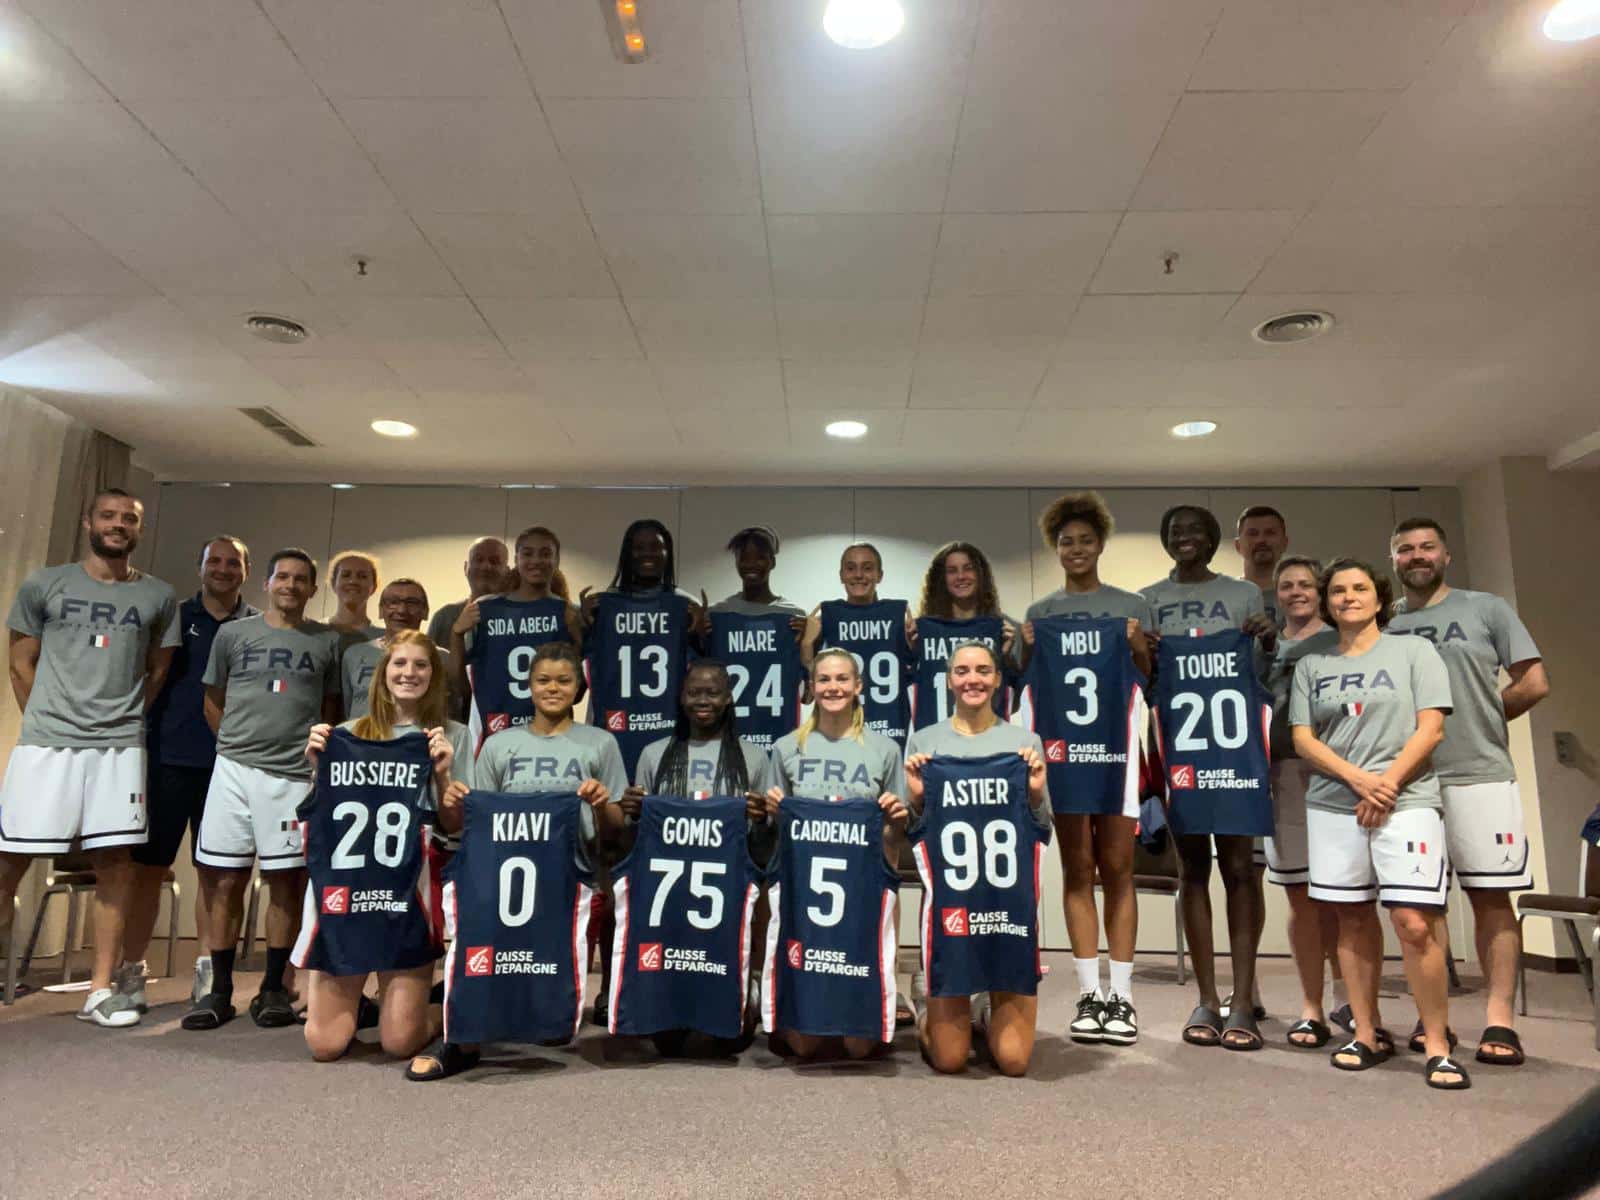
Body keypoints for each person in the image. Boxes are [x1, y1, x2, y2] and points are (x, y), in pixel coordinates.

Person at [0, 488, 178, 1027]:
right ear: (88, 522)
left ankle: (99, 990)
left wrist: (119, 718)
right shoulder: (45, 583)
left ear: (139, 529)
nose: (118, 524)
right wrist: (49, 720)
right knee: (8, 862)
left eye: (129, 518)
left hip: (118, 749)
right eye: (108, 516)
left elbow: (158, 670)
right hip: (47, 745)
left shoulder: (158, 595)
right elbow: (20, 662)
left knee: (115, 864)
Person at [1290, 558, 1468, 1090]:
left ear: (1379, 596)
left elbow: (1431, 729)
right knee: (1350, 919)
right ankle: (1365, 1034)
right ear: (1327, 603)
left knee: (1413, 922)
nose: (1348, 597)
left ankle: (1436, 1043)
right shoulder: (1311, 665)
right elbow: (1303, 738)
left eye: (1359, 588)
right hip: (1334, 803)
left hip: (1406, 800)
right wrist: (1358, 781)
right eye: (1338, 591)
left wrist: (1385, 784)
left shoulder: (1414, 651)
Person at [408, 641, 621, 1081]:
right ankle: (460, 1036)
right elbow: (470, 821)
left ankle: (533, 1015)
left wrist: (602, 804)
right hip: (507, 874)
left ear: (579, 688)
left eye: (564, 681)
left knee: (549, 1010)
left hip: (569, 876)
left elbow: (617, 830)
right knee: (485, 951)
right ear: (529, 686)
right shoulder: (499, 744)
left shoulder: (600, 743)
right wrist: (452, 792)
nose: (553, 688)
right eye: (543, 680)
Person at [1388, 518, 1548, 1067]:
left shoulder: (1486, 608)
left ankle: (1500, 1019)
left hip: (1480, 774)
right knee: (1423, 905)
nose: (1417, 556)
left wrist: (1486, 718)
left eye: (1426, 547)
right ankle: (1434, 1016)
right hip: (1412, 782)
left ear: (1446, 555)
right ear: (1394, 560)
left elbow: (1534, 681)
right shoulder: (1386, 622)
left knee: (1490, 898)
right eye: (1405, 549)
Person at [183, 548, 343, 1031]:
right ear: (268, 583)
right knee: (224, 881)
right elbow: (213, 700)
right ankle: (219, 991)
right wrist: (237, 746)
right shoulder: (234, 634)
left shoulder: (327, 641)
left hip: (293, 776)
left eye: (300, 579)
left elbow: (330, 708)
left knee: (285, 883)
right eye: (283, 577)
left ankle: (273, 987)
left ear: (312, 589)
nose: (290, 585)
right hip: (233, 773)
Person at [1017, 491, 1152, 1046]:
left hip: (1116, 752)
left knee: (1118, 867)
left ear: (1100, 544)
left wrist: (1138, 646)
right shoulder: (1040, 613)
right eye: (1066, 541)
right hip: (1064, 755)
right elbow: (1024, 683)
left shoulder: (1131, 606)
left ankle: (1123, 995)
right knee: (1077, 868)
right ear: (1056, 548)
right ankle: (1089, 993)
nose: (1076, 549)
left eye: (1086, 540)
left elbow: (1150, 679)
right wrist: (1027, 649)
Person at [298, 631, 466, 1063]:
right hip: (345, 895)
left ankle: (437, 1009)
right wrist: (319, 769)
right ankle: (361, 1004)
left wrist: (443, 775)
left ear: (434, 675)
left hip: (405, 896)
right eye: (399, 663)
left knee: (399, 1043)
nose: (409, 673)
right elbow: (319, 815)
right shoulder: (343, 735)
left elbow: (456, 826)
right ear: (383, 673)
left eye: (421, 665)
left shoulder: (453, 736)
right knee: (325, 1045)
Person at [1142, 504, 1275, 1046]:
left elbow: (1262, 675)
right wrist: (1144, 654)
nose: (1185, 537)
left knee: (1241, 868)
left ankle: (1242, 1000)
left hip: (1237, 746)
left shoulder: (1245, 595)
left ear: (1215, 538)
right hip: (1180, 747)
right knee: (1192, 868)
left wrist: (1267, 640)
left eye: (1195, 530)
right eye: (1175, 531)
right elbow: (1142, 683)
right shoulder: (1147, 600)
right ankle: (1205, 997)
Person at [903, 642, 1051, 1076]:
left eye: (983, 670)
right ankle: (925, 998)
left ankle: (987, 1005)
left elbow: (1042, 827)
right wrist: (917, 800)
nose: (973, 680)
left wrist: (1035, 792)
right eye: (963, 671)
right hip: (952, 908)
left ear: (998, 679)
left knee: (1014, 1062)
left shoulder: (1024, 743)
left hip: (1007, 909)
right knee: (949, 1060)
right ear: (949, 680)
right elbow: (913, 833)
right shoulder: (924, 741)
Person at [125, 536, 258, 1010]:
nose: (222, 569)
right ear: (199, 566)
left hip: (228, 766)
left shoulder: (257, 626)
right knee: (148, 871)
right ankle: (130, 972)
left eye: (232, 562)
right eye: (213, 561)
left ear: (246, 570)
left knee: (218, 875)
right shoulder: (174, 617)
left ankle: (209, 973)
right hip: (167, 761)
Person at [616, 659, 774, 1055]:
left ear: (729, 698)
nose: (703, 700)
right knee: (666, 1041)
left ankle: (747, 990)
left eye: (713, 692)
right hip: (668, 887)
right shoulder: (654, 754)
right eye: (694, 692)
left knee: (728, 1039)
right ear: (681, 697)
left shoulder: (754, 758)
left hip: (725, 887)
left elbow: (765, 844)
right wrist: (631, 810)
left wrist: (761, 819)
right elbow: (636, 836)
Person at [765, 648, 911, 1046]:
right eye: (824, 679)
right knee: (804, 1046)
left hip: (862, 888)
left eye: (842, 679)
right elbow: (778, 835)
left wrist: (896, 818)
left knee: (860, 1047)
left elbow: (894, 837)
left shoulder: (885, 749)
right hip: (806, 892)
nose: (833, 687)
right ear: (811, 687)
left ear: (858, 686)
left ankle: (896, 993)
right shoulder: (786, 748)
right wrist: (775, 812)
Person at [1261, 556, 1342, 1047]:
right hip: (1283, 775)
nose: (1296, 592)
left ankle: (1348, 998)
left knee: (1346, 896)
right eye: (1287, 585)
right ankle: (1311, 1006)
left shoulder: (1341, 640)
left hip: (1337, 776)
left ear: (1320, 590)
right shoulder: (1264, 645)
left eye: (1306, 584)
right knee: (1300, 895)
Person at [449, 526, 580, 749]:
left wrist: (579, 638)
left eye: (545, 553)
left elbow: (577, 692)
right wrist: (456, 634)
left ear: (557, 560)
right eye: (527, 553)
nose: (536, 560)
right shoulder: (485, 608)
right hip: (496, 734)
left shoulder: (568, 613)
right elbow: (460, 687)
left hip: (552, 735)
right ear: (516, 559)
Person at [801, 543, 914, 746]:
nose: (859, 575)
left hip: (889, 732)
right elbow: (807, 696)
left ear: (880, 575)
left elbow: (916, 676)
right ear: (841, 575)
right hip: (839, 731)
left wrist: (914, 645)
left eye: (867, 568)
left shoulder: (900, 618)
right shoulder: (825, 618)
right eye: (851, 568)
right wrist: (806, 644)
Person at [910, 542, 1017, 730]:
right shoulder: (921, 632)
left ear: (980, 575)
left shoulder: (1002, 631)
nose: (961, 576)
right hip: (936, 740)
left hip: (988, 738)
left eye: (968, 568)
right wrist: (911, 651)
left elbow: (1013, 702)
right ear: (941, 579)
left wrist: (1006, 657)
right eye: (952, 571)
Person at [342, 578, 438, 721]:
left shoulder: (441, 658)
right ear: (381, 610)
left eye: (411, 603)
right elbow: (346, 706)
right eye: (393, 602)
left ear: (425, 612)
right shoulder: (354, 654)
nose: (402, 610)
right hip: (361, 734)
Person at [426, 536, 511, 648]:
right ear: (466, 568)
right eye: (478, 560)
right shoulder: (444, 617)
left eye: (494, 561)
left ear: (507, 571)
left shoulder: (520, 617)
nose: (486, 567)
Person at [711, 526, 806, 620]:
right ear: (736, 562)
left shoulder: (794, 615)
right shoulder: (718, 612)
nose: (751, 564)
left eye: (760, 558)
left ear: (772, 562)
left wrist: (809, 629)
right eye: (744, 558)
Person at [1235, 505, 1290, 627]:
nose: (1261, 540)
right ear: (1238, 545)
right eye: (1252, 533)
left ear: (1285, 543)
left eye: (1270, 533)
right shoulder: (1224, 595)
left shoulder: (1304, 596)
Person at [327, 552, 381, 639]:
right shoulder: (313, 633)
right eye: (346, 575)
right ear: (333, 583)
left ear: (374, 586)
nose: (353, 581)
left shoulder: (385, 639)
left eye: (362, 576)